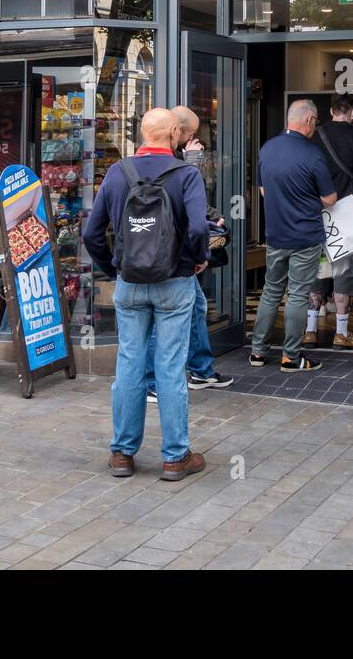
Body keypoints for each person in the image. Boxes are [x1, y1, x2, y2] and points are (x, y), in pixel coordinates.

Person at [82, 107, 208, 481]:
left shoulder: (118, 173)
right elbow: (199, 227)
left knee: (129, 365)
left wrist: (113, 268)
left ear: (141, 134)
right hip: (175, 282)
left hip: (130, 283)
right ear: (173, 132)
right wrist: (197, 260)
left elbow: (91, 234)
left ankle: (122, 454)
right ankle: (174, 457)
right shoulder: (187, 174)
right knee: (170, 367)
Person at [142, 106, 234, 403]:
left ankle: (200, 369)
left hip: (175, 253)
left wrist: (210, 217)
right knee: (160, 316)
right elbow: (179, 194)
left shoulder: (177, 156)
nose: (193, 141)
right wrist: (200, 255)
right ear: (176, 132)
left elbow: (192, 204)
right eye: (190, 135)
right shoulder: (158, 158)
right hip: (163, 255)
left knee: (196, 307)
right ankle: (151, 382)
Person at [252, 99, 337, 371]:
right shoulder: (313, 155)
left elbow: (263, 190)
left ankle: (258, 352)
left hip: (275, 234)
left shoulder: (267, 149)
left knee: (270, 292)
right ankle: (291, 356)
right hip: (305, 236)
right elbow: (329, 198)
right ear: (310, 120)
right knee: (298, 295)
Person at [310, 93, 353, 349]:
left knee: (318, 270)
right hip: (351, 214)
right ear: (352, 113)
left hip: (319, 213)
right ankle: (341, 332)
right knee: (345, 272)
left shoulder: (316, 137)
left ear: (331, 111)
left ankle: (309, 329)